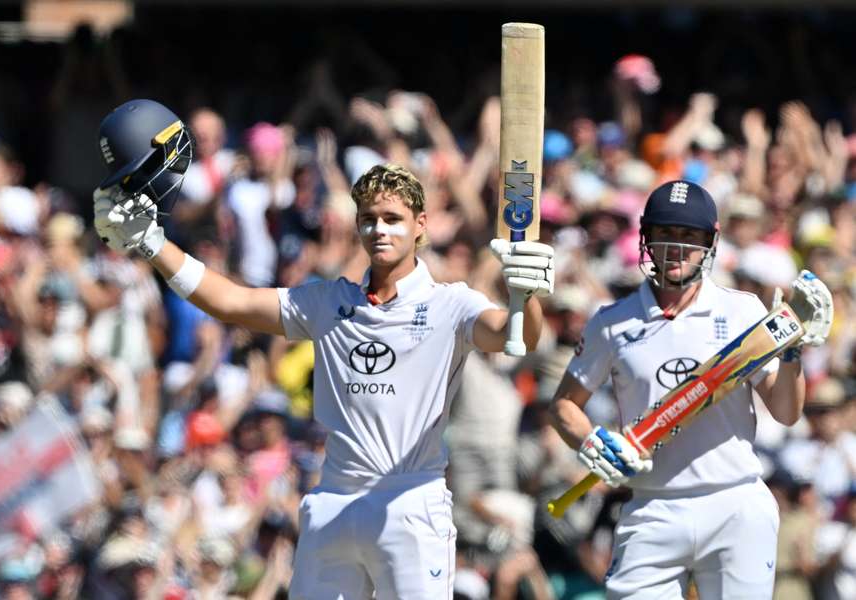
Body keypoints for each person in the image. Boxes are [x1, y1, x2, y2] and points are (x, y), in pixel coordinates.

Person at [91, 98, 556, 598]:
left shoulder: (451, 305)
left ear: (420, 225)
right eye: (370, 218)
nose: (380, 229)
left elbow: (517, 337)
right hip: (334, 498)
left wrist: (525, 296)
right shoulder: (328, 301)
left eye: (394, 219)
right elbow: (230, 301)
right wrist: (153, 243)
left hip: (409, 501)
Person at [548, 179, 833, 599]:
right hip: (652, 506)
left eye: (688, 236)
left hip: (735, 503)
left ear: (711, 242)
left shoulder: (743, 311)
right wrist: (589, 439)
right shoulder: (612, 321)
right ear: (645, 236)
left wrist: (793, 354)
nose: (675, 247)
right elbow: (564, 405)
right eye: (664, 233)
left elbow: (787, 412)